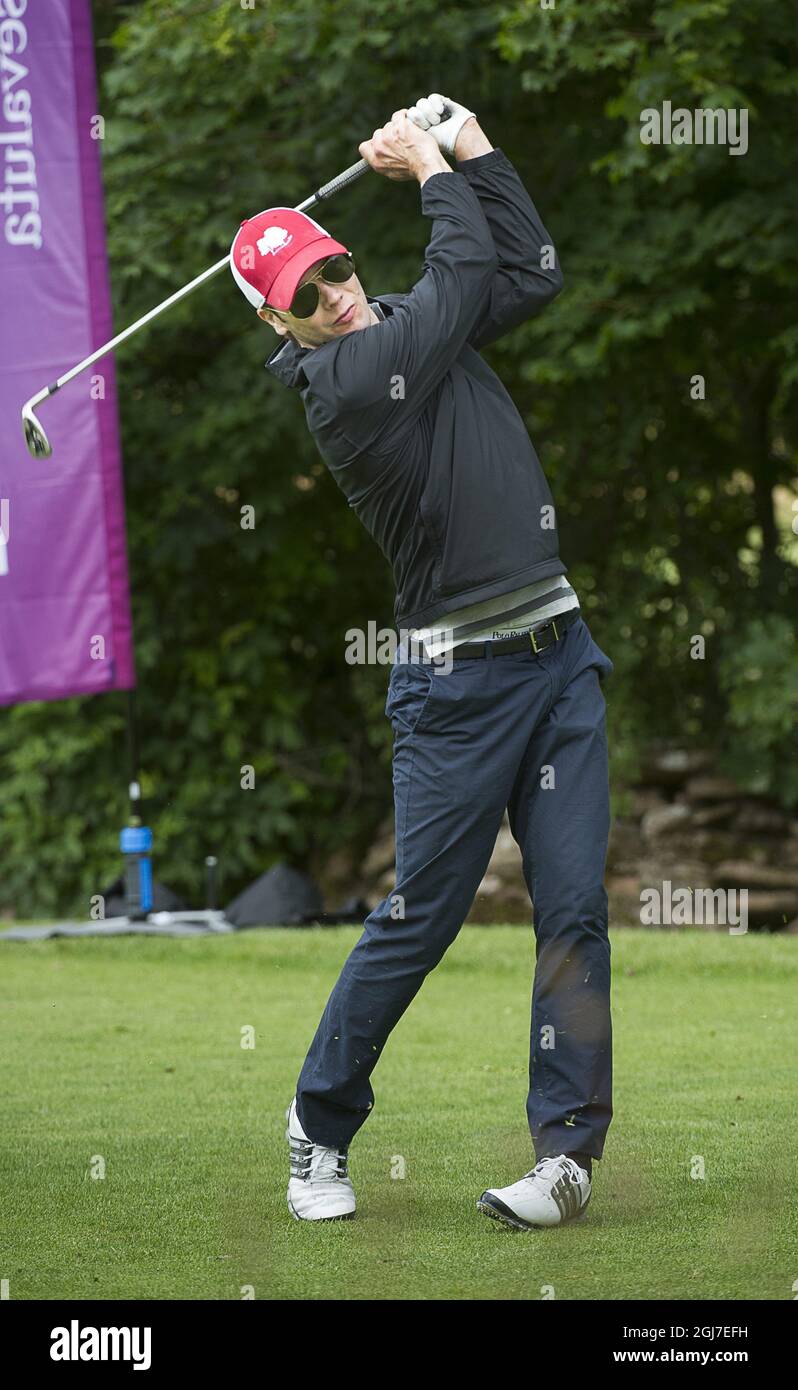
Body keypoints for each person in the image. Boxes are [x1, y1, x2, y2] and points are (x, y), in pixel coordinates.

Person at [229, 95, 615, 1231]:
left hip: (559, 658)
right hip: (456, 692)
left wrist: (479, 145)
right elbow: (457, 275)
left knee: (576, 909)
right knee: (423, 917)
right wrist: (431, 168)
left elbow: (530, 272)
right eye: (308, 293)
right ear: (281, 325)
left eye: (336, 266)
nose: (337, 293)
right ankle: (319, 1125)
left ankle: (564, 1157)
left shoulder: (402, 318)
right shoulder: (345, 386)